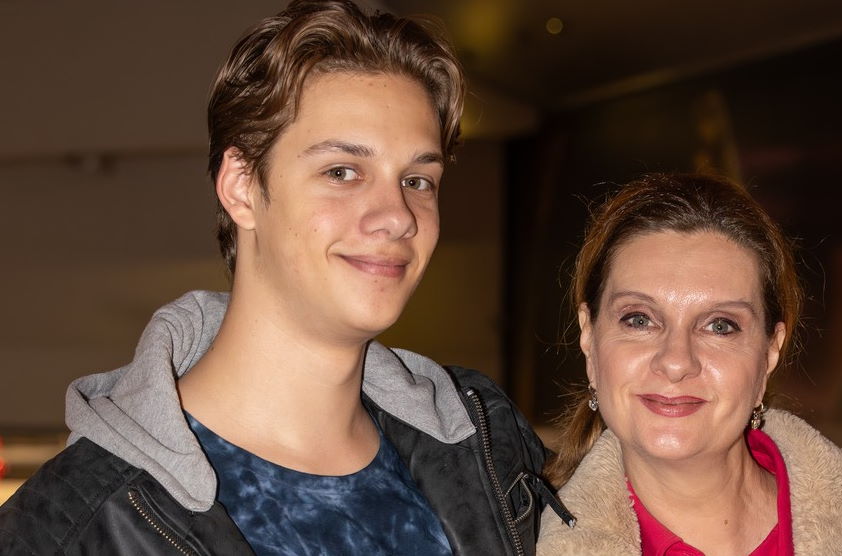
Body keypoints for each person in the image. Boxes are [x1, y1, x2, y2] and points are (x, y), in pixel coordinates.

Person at [0, 1, 556, 554]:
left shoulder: (486, 444)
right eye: (342, 172)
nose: (398, 217)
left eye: (417, 180)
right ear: (241, 187)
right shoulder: (69, 530)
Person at [536, 173, 842, 555]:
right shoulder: (519, 544)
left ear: (770, 351)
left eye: (720, 326)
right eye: (639, 319)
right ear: (589, 337)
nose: (676, 362)